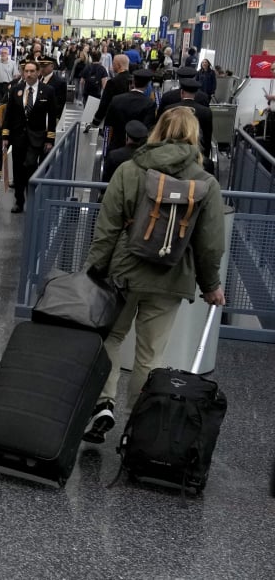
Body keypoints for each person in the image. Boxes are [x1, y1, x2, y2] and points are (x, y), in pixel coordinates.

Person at [81, 107, 226, 443]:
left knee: (111, 338)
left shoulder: (130, 169)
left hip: (124, 272)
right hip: (171, 278)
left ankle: (103, 405)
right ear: (194, 136)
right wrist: (211, 285)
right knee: (150, 354)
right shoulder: (206, 182)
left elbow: (107, 227)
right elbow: (209, 244)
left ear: (157, 131)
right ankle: (137, 424)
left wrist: (93, 271)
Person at [1, 60, 58, 213]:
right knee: (18, 169)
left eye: (32, 71)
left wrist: (50, 139)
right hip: (18, 136)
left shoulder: (48, 91)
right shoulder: (16, 89)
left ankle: (32, 198)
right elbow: (8, 114)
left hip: (37, 136)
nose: (29, 74)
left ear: (38, 72)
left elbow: (52, 117)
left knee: (31, 166)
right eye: (26, 71)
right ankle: (19, 201)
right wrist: (5, 135)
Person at [160, 77, 214, 173]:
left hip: (172, 153)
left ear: (181, 92)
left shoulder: (170, 109)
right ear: (195, 94)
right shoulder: (206, 112)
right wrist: (204, 156)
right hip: (195, 154)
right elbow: (207, 136)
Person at [103, 69, 157, 152]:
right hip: (137, 150)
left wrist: (106, 149)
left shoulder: (116, 99)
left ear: (133, 82)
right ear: (147, 85)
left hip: (116, 146)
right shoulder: (149, 104)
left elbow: (108, 126)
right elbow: (148, 129)